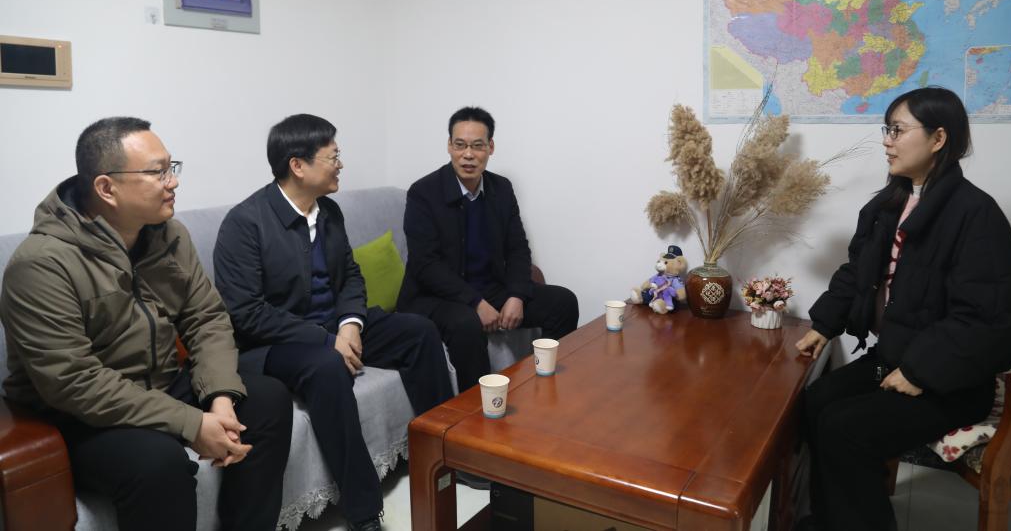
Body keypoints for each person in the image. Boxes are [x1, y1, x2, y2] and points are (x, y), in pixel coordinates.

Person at [0, 117, 292, 531]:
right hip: (78, 415)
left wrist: (221, 397)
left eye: (172, 168)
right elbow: (73, 382)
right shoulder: (41, 264)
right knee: (157, 463)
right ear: (107, 188)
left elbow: (206, 318)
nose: (173, 182)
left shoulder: (170, 235)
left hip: (161, 381)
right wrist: (191, 423)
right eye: (158, 172)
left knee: (267, 400)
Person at [795, 87, 1011, 531]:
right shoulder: (889, 205)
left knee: (846, 429)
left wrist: (921, 371)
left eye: (897, 130)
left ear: (938, 138)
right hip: (895, 358)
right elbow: (858, 271)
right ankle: (828, 521)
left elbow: (988, 319)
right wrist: (824, 324)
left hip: (951, 380)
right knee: (817, 400)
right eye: (887, 129)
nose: (887, 141)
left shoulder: (976, 215)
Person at [213, 113, 454, 531]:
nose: (340, 165)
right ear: (297, 165)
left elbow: (351, 277)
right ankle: (364, 511)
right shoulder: (245, 223)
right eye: (333, 157)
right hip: (272, 345)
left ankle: (443, 457)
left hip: (333, 328)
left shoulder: (329, 212)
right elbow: (247, 313)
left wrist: (350, 324)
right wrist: (325, 341)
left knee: (418, 332)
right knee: (327, 368)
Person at [398, 106, 579, 393]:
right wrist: (476, 303)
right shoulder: (423, 193)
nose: (468, 155)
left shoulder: (501, 189)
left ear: (490, 147)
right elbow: (426, 265)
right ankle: (478, 410)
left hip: (489, 288)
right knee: (466, 324)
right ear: (449, 146)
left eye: (477, 146)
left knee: (563, 302)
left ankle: (545, 390)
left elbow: (518, 248)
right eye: (460, 145)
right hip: (435, 296)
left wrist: (517, 295)